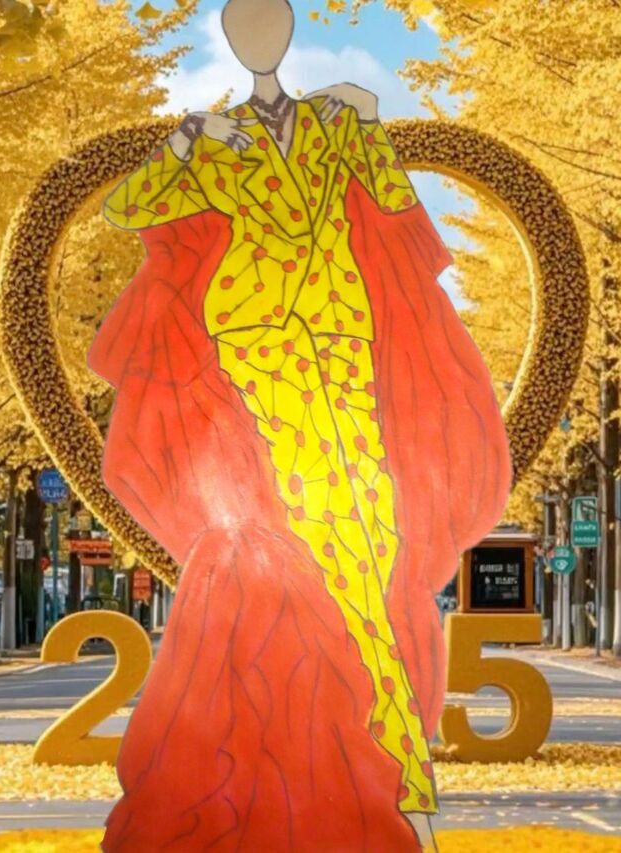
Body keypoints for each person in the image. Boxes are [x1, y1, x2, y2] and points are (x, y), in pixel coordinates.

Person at [89, 0, 511, 848]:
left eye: (271, 26)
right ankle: (398, 770)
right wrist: (183, 140)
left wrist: (372, 125)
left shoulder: (334, 121)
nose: (261, 42)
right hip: (255, 341)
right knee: (328, 539)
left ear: (285, 35)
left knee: (371, 535)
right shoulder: (213, 138)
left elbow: (392, 208)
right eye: (244, 30)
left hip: (341, 335)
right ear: (231, 41)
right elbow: (128, 210)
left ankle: (391, 763)